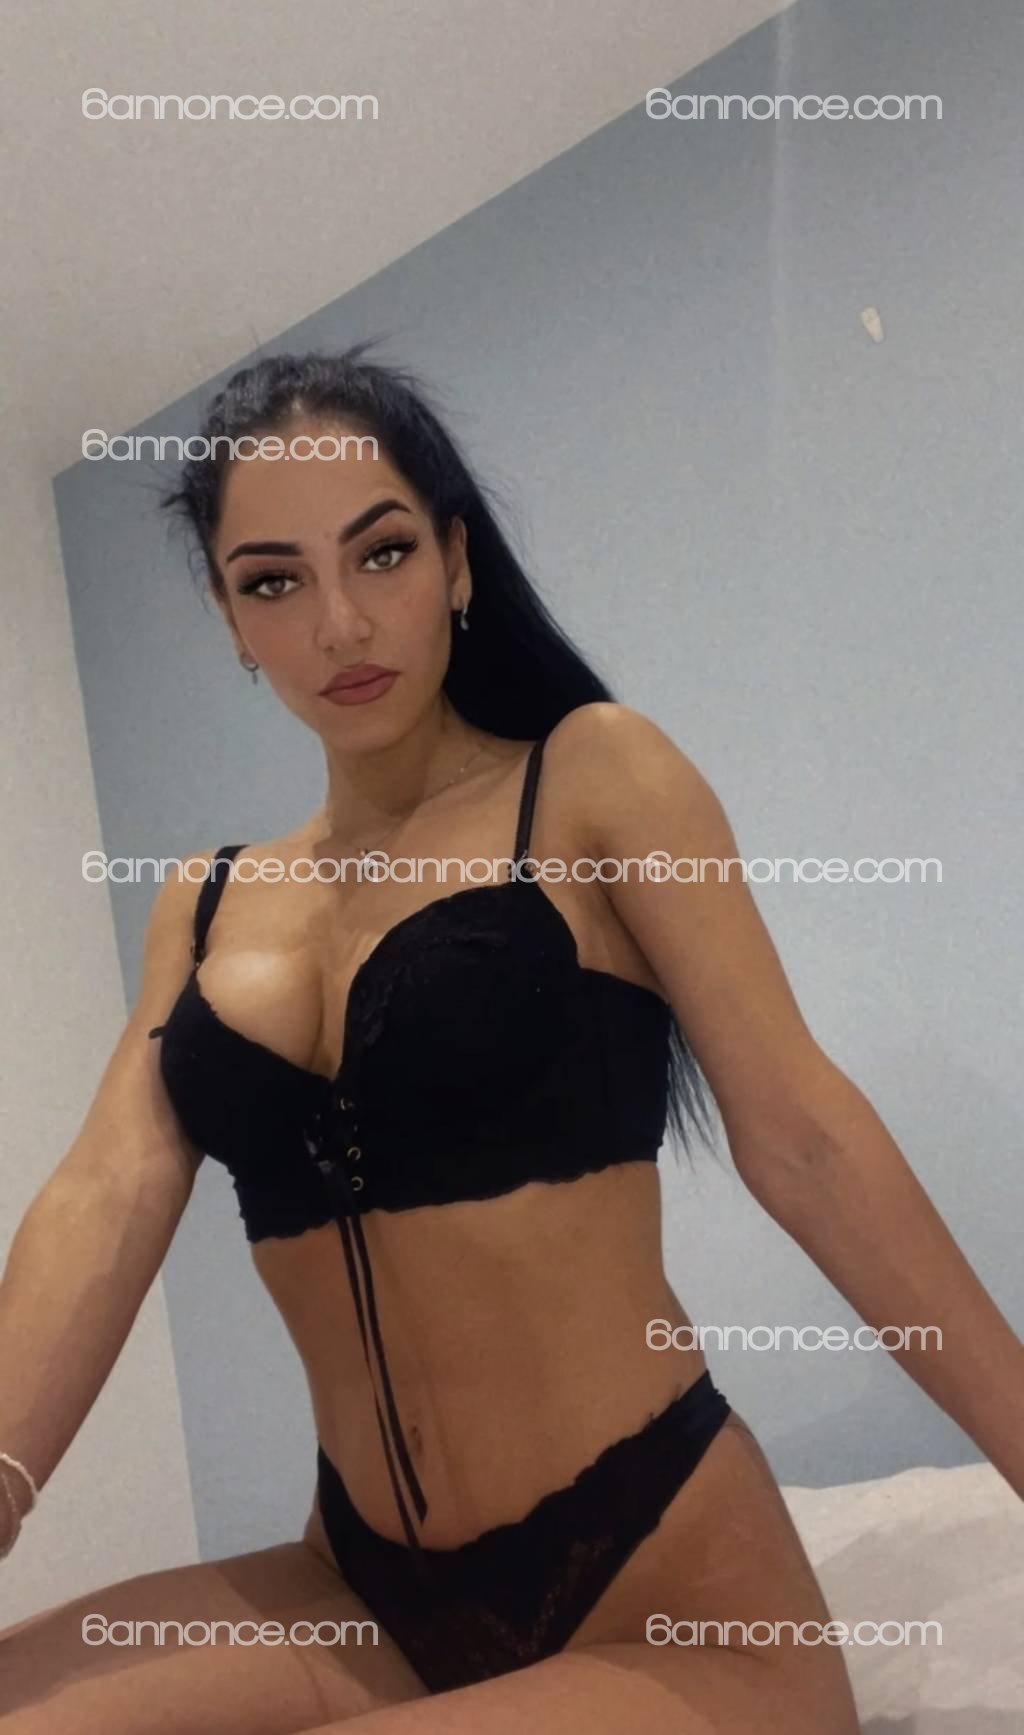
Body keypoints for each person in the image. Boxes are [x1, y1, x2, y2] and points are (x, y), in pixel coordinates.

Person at [1, 345, 1020, 1735]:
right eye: (275, 582)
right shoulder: (207, 900)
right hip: (359, 1588)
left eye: (383, 553)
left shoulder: (595, 777)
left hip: (665, 1587)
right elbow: (104, 1196)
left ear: (458, 560)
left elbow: (806, 1142)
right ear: (231, 621)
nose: (342, 625)